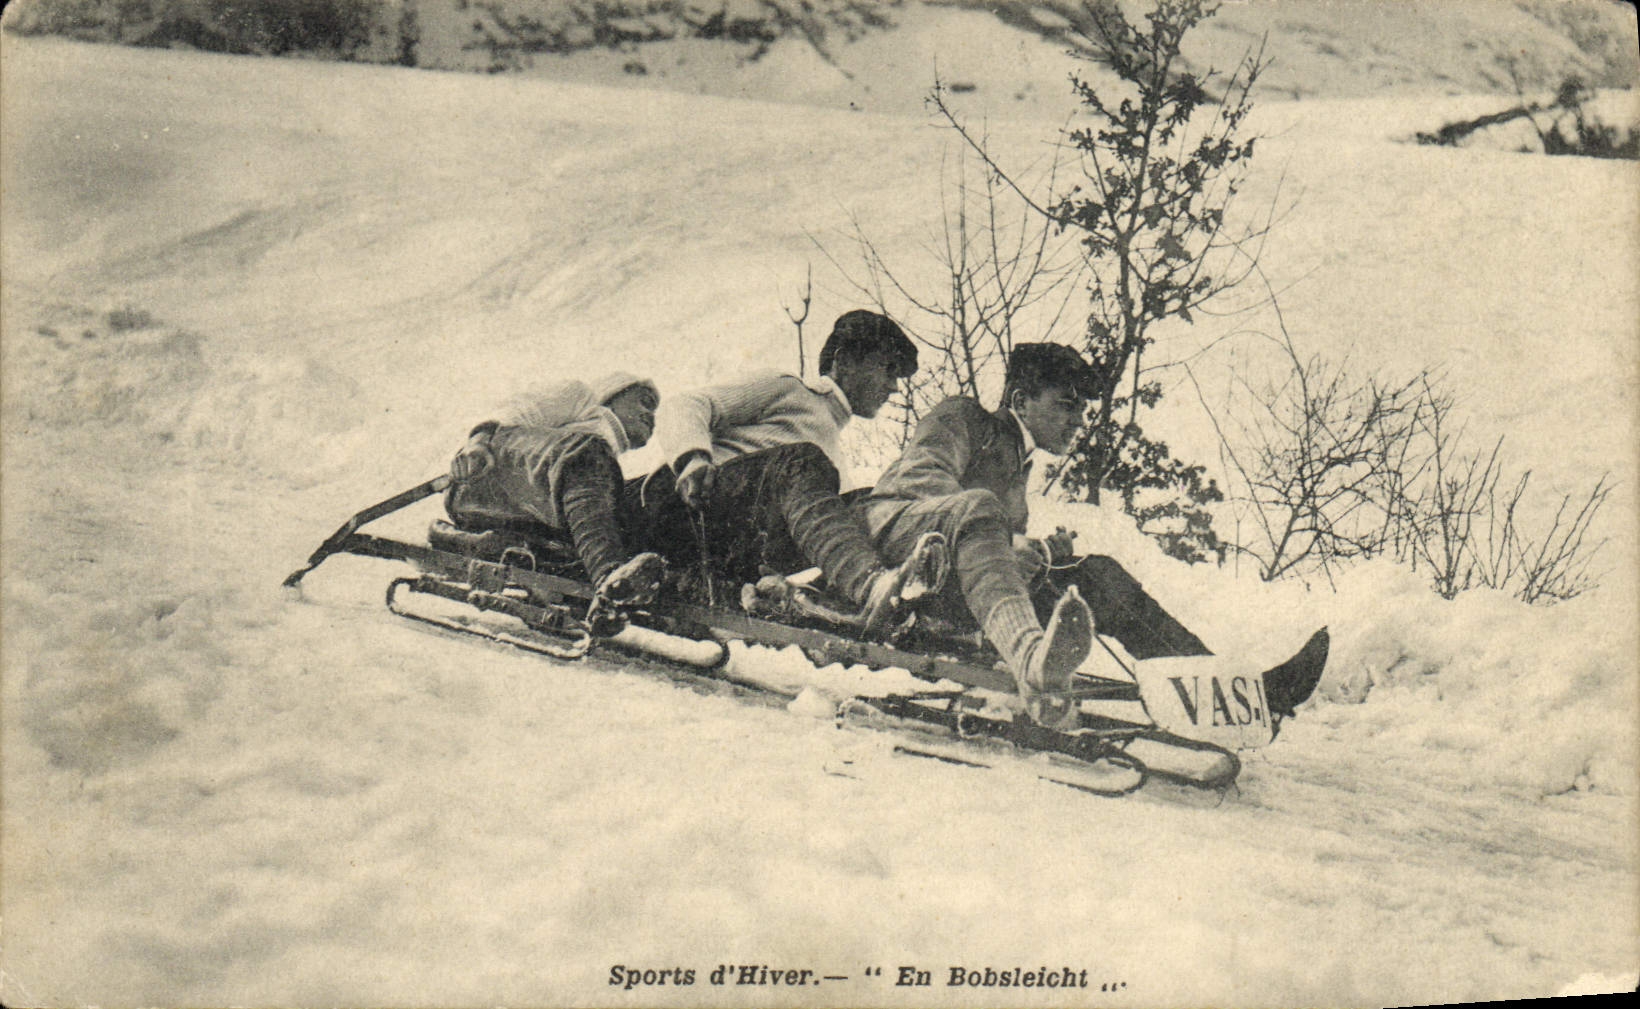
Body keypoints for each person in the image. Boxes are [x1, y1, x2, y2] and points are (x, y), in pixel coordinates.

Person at [867, 342, 1327, 724]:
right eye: (1065, 405)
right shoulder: (965, 420)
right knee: (1095, 578)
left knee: (1098, 577)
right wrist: (1006, 543)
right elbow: (918, 491)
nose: (1078, 421)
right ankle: (1219, 689)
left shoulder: (1016, 460)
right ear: (1021, 401)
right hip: (918, 593)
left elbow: (992, 551)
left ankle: (1228, 690)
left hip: (973, 601)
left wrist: (1038, 552)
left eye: (1082, 409)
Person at [632, 310, 944, 635]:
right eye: (888, 368)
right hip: (687, 507)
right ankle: (869, 584)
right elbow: (686, 404)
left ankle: (899, 603)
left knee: (868, 504)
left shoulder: (833, 452)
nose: (893, 387)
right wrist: (693, 458)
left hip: (729, 552)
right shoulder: (791, 391)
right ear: (845, 361)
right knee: (805, 461)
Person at [440, 372, 668, 635]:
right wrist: (476, 444)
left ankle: (612, 590)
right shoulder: (581, 397)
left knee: (638, 493)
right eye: (645, 402)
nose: (652, 416)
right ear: (612, 394)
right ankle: (609, 577)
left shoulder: (601, 457)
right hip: (481, 476)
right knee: (589, 453)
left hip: (526, 511)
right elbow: (511, 413)